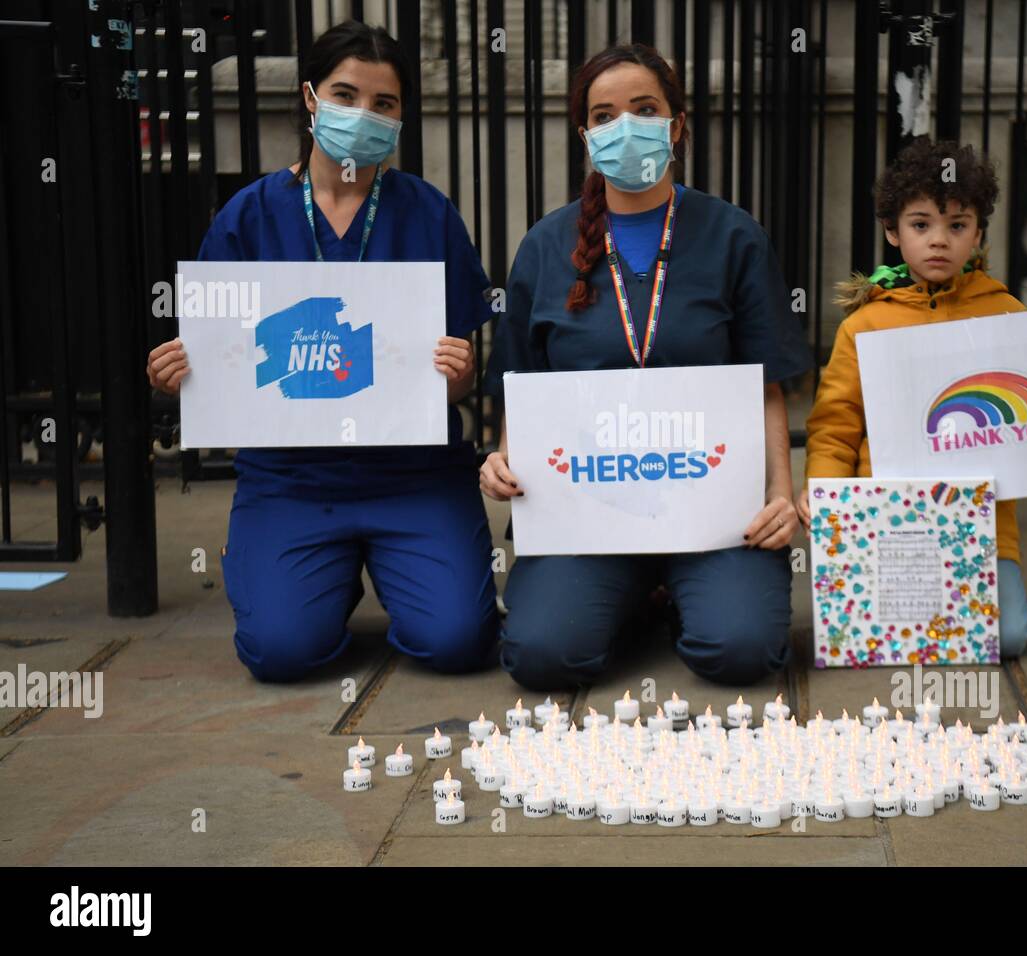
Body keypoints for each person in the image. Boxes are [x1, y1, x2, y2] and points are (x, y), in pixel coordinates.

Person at [146, 21, 499, 682]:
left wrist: (457, 377)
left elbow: (450, 381)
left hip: (412, 476)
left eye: (384, 103)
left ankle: (397, 572)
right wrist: (179, 373)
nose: (363, 114)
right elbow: (219, 358)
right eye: (345, 94)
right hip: (292, 480)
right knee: (282, 652)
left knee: (457, 642)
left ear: (400, 117)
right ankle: (313, 577)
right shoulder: (248, 216)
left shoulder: (429, 214)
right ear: (310, 98)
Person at [481, 44, 812, 689]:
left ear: (677, 125)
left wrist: (778, 493)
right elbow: (522, 384)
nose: (623, 127)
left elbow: (764, 383)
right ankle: (633, 598)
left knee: (742, 652)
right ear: (585, 135)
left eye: (644, 109)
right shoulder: (547, 245)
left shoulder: (734, 236)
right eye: (603, 116)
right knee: (544, 656)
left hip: (715, 512)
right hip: (587, 514)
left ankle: (680, 591)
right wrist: (501, 457)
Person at [800, 136, 1027, 658]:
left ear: (978, 233)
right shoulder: (863, 325)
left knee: (1006, 639)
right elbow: (834, 425)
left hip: (980, 522)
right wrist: (829, 501)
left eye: (957, 225)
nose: (939, 240)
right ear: (892, 232)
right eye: (921, 225)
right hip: (886, 518)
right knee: (868, 637)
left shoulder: (1006, 314)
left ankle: (984, 594)